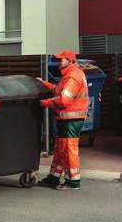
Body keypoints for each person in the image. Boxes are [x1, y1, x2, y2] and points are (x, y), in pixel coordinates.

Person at [38, 49, 89, 190]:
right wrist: (43, 83)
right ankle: (54, 177)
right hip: (68, 119)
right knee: (61, 149)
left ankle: (72, 181)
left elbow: (64, 100)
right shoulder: (71, 75)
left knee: (68, 150)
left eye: (61, 60)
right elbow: (58, 90)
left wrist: (45, 103)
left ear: (70, 61)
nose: (58, 62)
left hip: (70, 119)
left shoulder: (72, 76)